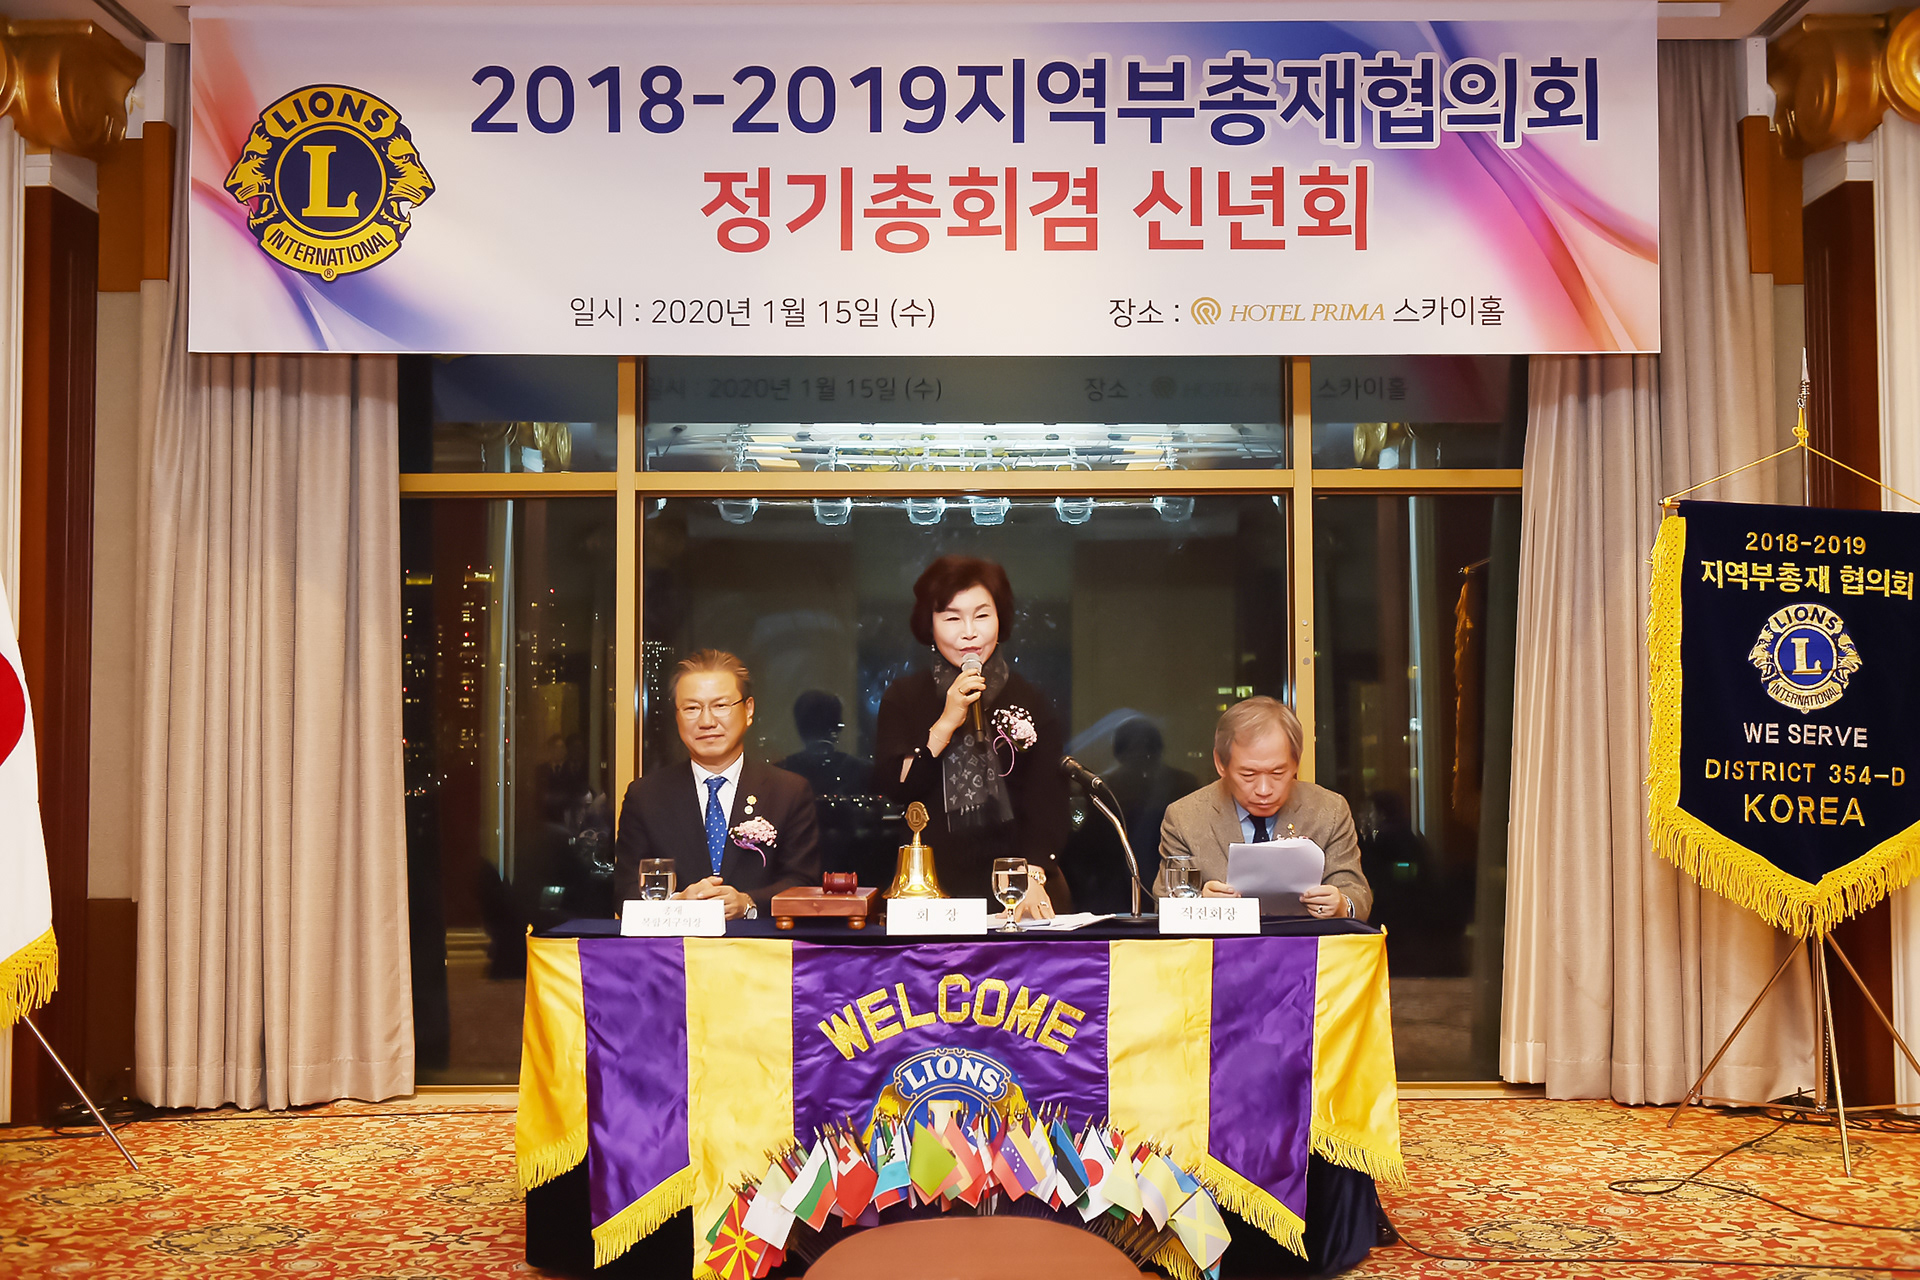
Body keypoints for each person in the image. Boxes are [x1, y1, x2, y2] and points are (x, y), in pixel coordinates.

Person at [874, 556, 1069, 915]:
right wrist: (946, 722)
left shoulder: (1031, 699)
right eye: (952, 618)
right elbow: (897, 786)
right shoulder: (905, 697)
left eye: (981, 615)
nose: (969, 632)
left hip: (1019, 887)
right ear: (929, 624)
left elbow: (1049, 803)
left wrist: (1032, 873)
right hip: (931, 888)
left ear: (1000, 619)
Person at [614, 650, 820, 919]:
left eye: (721, 706)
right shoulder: (646, 796)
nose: (707, 722)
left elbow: (803, 883)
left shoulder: (789, 792)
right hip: (675, 944)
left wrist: (748, 903)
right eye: (692, 708)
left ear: (748, 710)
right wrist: (675, 904)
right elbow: (625, 891)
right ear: (677, 716)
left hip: (761, 943)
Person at [1152, 696, 1372, 921]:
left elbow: (1357, 893)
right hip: (1223, 943)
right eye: (1248, 774)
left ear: (1296, 762)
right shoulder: (1185, 818)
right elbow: (1164, 907)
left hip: (1304, 941)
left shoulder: (1328, 810)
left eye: (1278, 773)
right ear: (1220, 763)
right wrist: (1200, 905)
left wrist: (1342, 904)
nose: (1264, 790)